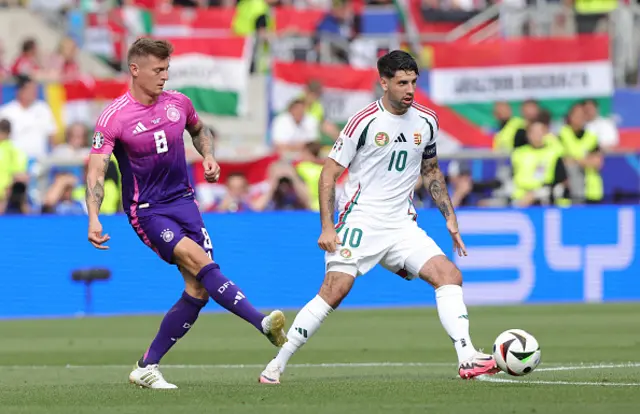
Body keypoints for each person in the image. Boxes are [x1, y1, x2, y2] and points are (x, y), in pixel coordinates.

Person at [259, 50, 500, 385]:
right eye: (402, 82)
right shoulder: (364, 122)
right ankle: (276, 365)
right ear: (383, 83)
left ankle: (467, 357)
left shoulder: (426, 121)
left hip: (402, 223)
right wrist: (328, 226)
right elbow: (328, 174)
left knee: (449, 275)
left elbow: (431, 170)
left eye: (414, 82)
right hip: (360, 219)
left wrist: (450, 217)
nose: (410, 89)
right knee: (335, 289)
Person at [85, 38, 287, 389]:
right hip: (148, 210)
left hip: (185, 203)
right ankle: (262, 323)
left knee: (198, 290)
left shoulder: (179, 102)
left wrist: (208, 155)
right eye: (157, 70)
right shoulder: (114, 117)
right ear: (135, 70)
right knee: (200, 262)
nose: (164, 77)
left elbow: (199, 129)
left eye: (167, 70)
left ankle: (147, 366)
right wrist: (93, 216)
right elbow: (96, 171)